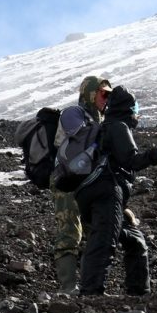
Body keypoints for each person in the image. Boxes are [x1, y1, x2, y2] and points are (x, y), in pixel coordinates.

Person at [75, 86, 157, 296]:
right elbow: (131, 161)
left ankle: (139, 292)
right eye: (136, 107)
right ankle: (91, 294)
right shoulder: (118, 126)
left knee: (134, 240)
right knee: (104, 241)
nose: (137, 112)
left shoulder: (106, 126)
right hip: (107, 191)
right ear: (128, 108)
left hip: (93, 191)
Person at [50, 76, 111, 295]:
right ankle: (67, 287)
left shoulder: (103, 120)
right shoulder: (73, 113)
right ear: (91, 93)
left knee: (93, 230)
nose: (107, 98)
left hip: (89, 180)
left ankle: (89, 286)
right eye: (104, 93)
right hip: (67, 179)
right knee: (69, 229)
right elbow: (80, 137)